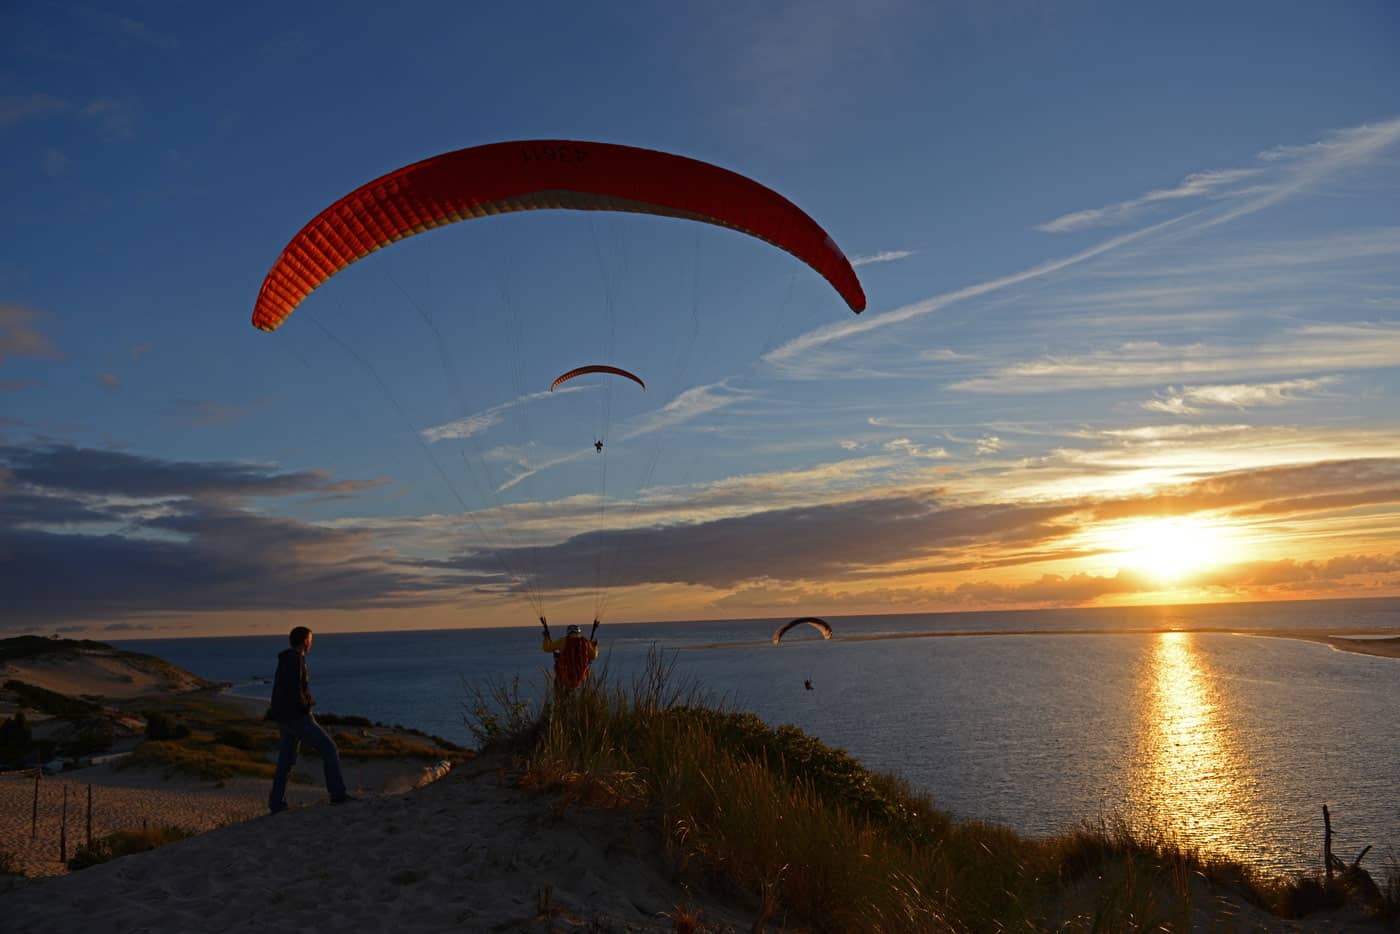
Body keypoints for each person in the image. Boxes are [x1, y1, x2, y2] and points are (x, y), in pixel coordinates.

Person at [267, 626, 352, 812]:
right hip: (297, 718)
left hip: (285, 718)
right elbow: (294, 688)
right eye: (310, 639)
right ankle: (337, 794)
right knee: (329, 748)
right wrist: (305, 706)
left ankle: (276, 803)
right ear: (305, 641)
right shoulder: (295, 660)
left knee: (286, 761)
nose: (312, 643)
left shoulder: (286, 659)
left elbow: (286, 688)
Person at [540, 618, 600, 689]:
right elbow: (593, 655)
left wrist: (546, 638)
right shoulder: (585, 642)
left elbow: (547, 648)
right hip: (579, 677)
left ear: (569, 632)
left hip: (563, 676)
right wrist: (594, 647)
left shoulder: (563, 641)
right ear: (578, 632)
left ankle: (559, 698)